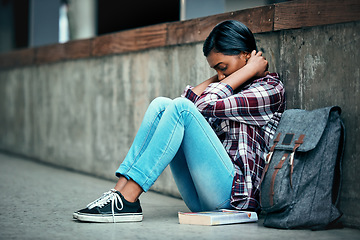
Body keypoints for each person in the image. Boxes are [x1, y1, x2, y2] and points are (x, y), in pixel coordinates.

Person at [73, 20, 286, 223]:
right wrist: (232, 73)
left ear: (246, 55)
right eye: (215, 71)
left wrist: (247, 71)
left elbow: (200, 106)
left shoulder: (269, 89)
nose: (220, 77)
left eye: (223, 67)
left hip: (236, 199)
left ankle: (128, 199)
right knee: (161, 106)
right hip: (201, 197)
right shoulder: (227, 87)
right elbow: (188, 100)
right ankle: (119, 193)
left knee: (181, 109)